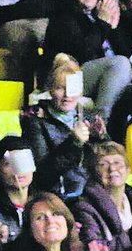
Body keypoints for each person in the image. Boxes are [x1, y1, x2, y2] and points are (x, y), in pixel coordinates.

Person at [42, 0, 132, 121]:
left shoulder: (102, 12)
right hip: (69, 77)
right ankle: (98, 120)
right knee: (120, 63)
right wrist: (102, 23)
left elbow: (127, 57)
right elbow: (83, 53)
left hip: (106, 77)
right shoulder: (63, 17)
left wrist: (115, 28)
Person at [21, 54, 104, 199]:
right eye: (60, 88)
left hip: (91, 196)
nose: (67, 95)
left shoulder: (88, 116)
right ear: (50, 89)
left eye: (72, 88)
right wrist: (73, 143)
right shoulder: (35, 121)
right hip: (57, 197)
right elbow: (43, 174)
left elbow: (99, 165)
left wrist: (100, 139)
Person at [5, 192, 105, 251]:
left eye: (56, 214)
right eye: (40, 217)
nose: (50, 221)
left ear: (67, 221)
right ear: (30, 229)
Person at [71, 142, 132, 251]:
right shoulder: (84, 208)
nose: (112, 168)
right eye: (103, 165)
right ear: (94, 173)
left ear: (128, 170)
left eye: (117, 163)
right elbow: (97, 249)